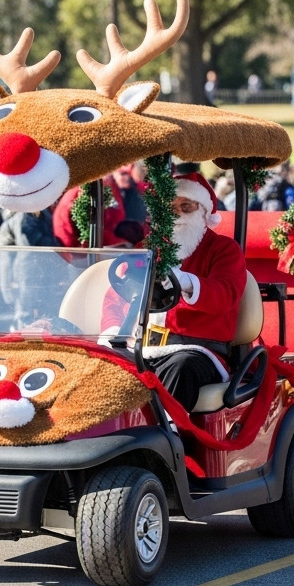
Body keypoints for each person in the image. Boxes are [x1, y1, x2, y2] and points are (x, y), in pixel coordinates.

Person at [102, 172, 248, 412]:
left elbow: (226, 294)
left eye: (186, 206)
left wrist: (189, 283)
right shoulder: (147, 248)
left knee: (181, 367)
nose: (177, 214)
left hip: (197, 349)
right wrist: (111, 330)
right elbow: (116, 297)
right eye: (171, 208)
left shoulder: (223, 250)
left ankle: (168, 439)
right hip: (141, 345)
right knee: (103, 365)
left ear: (203, 212)